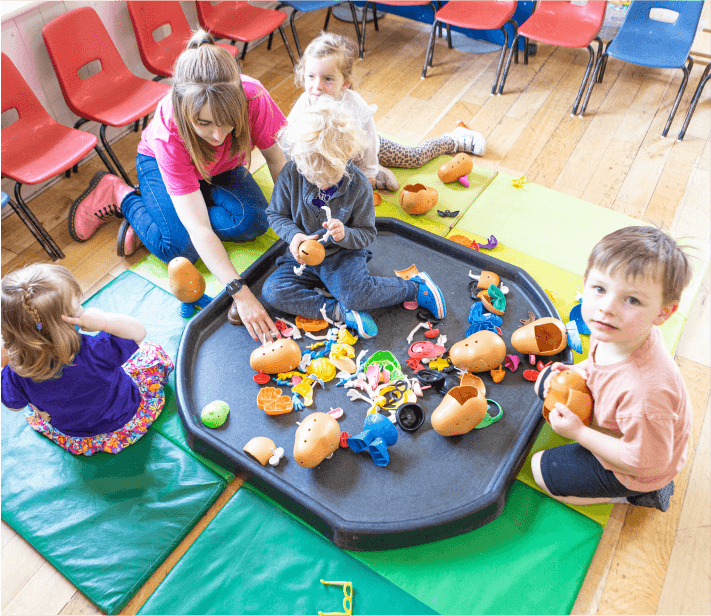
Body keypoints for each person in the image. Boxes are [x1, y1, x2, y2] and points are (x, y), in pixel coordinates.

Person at [67, 30, 285, 342]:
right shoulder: (169, 135)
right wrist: (241, 294)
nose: (218, 136)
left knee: (254, 221)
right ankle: (121, 194)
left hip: (219, 169)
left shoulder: (254, 95)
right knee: (180, 248)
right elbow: (200, 231)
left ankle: (170, 212)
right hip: (159, 164)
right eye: (205, 124)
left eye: (228, 122)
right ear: (185, 112)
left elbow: (278, 161)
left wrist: (294, 224)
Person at [531, 226, 693, 512]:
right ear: (586, 282)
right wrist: (580, 371)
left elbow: (646, 461)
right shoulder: (618, 329)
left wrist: (580, 433)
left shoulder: (644, 393)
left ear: (662, 313)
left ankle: (638, 496)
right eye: (600, 289)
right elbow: (601, 361)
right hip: (626, 424)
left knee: (540, 472)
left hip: (641, 468)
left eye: (631, 300)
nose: (607, 307)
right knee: (543, 384)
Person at [261, 96, 446, 339]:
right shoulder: (291, 173)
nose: (321, 183)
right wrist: (294, 235)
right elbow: (275, 214)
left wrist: (345, 234)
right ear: (297, 158)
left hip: (342, 256)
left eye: (330, 177)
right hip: (302, 258)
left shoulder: (358, 185)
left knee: (357, 295)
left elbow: (367, 233)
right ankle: (340, 312)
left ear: (347, 159)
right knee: (273, 292)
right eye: (312, 175)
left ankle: (415, 288)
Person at [0, 264, 173, 456]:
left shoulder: (15, 372)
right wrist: (105, 322)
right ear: (65, 323)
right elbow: (139, 333)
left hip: (76, 435)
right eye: (77, 306)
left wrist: (37, 408)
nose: (82, 308)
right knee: (151, 353)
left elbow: (13, 405)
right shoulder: (95, 349)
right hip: (126, 415)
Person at [286, 32, 486, 192]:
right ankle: (376, 175)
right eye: (310, 76)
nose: (317, 86)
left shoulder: (354, 104)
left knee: (414, 157)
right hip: (332, 162)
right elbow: (290, 145)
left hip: (363, 150)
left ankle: (455, 139)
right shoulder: (304, 106)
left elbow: (369, 140)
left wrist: (370, 172)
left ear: (345, 83)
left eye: (328, 79)